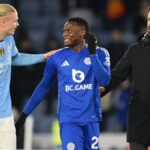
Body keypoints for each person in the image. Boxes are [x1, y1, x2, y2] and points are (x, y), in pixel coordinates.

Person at [15, 17, 111, 149]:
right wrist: (23, 116)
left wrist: (92, 54)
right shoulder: (57, 58)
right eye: (64, 30)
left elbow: (104, 80)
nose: (64, 33)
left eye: (69, 30)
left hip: (91, 118)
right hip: (69, 121)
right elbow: (43, 87)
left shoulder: (100, 53)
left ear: (82, 33)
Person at [0, 4, 58, 150]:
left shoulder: (9, 40)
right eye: (15, 20)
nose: (18, 24)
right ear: (3, 22)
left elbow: (16, 58)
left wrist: (43, 57)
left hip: (5, 115)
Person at [101, 7, 150, 150]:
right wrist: (99, 90)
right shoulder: (135, 50)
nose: (149, 23)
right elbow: (116, 75)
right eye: (148, 19)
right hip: (139, 121)